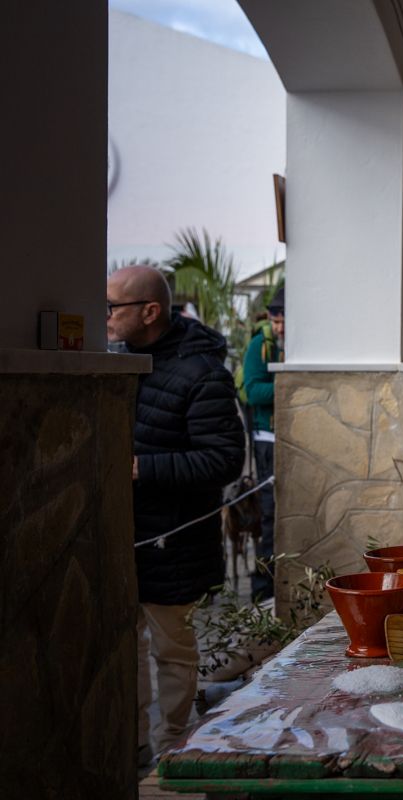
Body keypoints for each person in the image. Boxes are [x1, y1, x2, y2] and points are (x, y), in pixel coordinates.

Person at [107, 265, 245, 763]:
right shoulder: (119, 361)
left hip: (174, 541)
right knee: (123, 648)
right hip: (125, 535)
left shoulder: (202, 371)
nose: (104, 318)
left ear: (149, 312)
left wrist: (144, 468)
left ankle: (172, 747)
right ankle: (134, 746)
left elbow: (226, 459)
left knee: (172, 652)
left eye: (112, 308)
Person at [242, 284, 284, 600]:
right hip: (267, 441)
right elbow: (254, 392)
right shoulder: (260, 346)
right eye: (275, 320)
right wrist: (290, 385)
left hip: (290, 438)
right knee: (269, 517)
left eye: (284, 320)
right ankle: (263, 588)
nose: (279, 327)